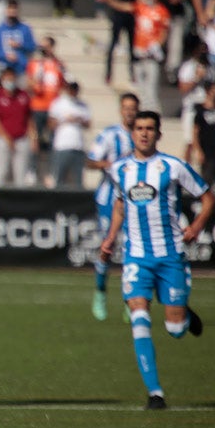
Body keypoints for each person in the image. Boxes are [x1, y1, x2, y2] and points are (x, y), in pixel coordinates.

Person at [99, 111, 214, 410]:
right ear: (132, 132)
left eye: (150, 129)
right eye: (139, 129)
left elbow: (208, 197)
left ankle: (184, 315)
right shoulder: (120, 169)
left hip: (171, 255)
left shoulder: (173, 167)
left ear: (159, 134)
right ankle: (155, 393)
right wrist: (110, 238)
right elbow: (120, 205)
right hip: (136, 257)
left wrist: (196, 226)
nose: (144, 134)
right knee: (139, 316)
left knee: (175, 330)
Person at [85, 93, 139, 321]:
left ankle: (131, 300)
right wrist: (107, 164)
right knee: (107, 247)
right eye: (125, 108)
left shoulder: (142, 136)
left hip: (136, 201)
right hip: (109, 200)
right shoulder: (109, 135)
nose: (129, 112)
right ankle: (100, 293)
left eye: (132, 108)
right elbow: (90, 161)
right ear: (120, 110)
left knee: (132, 251)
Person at [0, 68, 34, 186]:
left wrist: (33, 137)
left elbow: (29, 117)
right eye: (7, 78)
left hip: (21, 138)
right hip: (3, 139)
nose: (10, 81)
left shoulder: (23, 95)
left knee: (21, 174)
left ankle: (21, 201)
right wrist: (6, 138)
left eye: (12, 78)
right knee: (1, 172)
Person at [47, 81, 91, 188]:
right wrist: (65, 120)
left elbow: (88, 124)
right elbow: (51, 124)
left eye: (75, 90)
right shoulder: (58, 103)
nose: (73, 92)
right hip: (62, 146)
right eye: (71, 90)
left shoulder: (83, 105)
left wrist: (78, 120)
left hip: (78, 146)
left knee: (78, 180)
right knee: (59, 178)